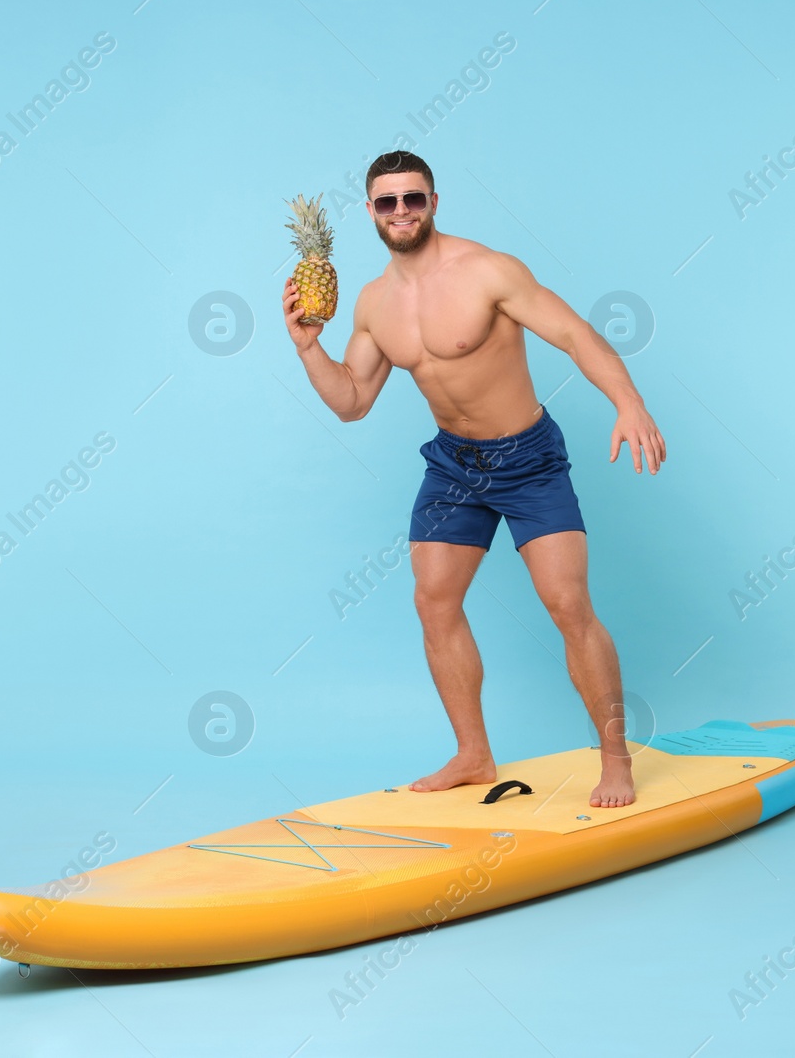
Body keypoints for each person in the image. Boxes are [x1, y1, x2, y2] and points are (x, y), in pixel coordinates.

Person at [282, 151, 665, 807]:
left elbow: (572, 332)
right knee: (433, 601)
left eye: (413, 198)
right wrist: (307, 346)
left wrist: (628, 402)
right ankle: (473, 752)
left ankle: (615, 756)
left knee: (568, 605)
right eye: (387, 202)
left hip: (528, 459)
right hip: (454, 466)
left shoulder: (488, 271)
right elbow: (351, 401)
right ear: (370, 212)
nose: (401, 211)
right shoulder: (374, 304)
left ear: (433, 201)